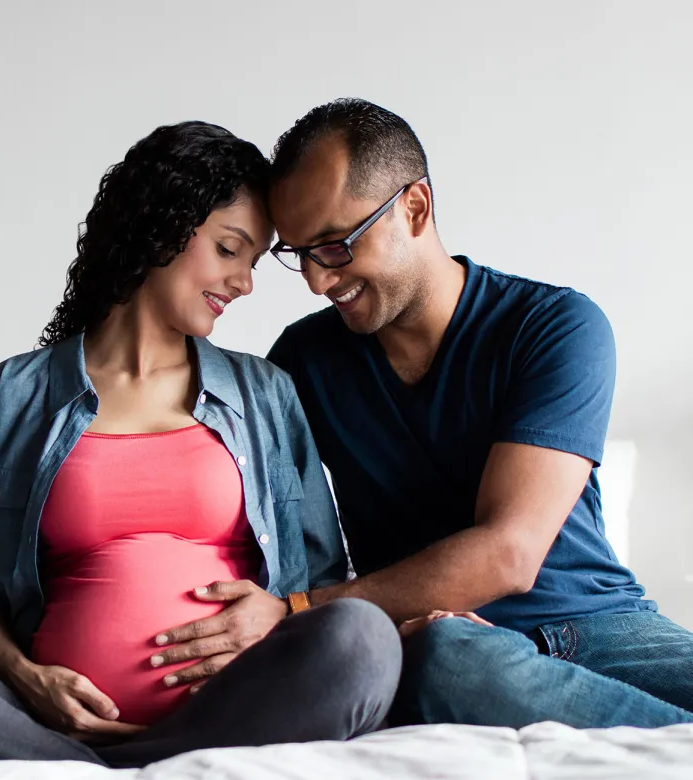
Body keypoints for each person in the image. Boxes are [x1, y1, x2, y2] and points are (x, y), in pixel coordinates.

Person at [167, 98, 693, 730]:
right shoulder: (304, 362)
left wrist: (298, 609)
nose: (316, 281)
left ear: (414, 208)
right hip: (442, 644)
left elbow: (510, 552)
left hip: (603, 627)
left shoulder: (554, 327)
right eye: (298, 253)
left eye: (334, 247)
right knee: (448, 658)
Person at [0, 121, 401, 769]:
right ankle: (90, 767)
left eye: (252, 260)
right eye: (229, 249)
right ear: (160, 228)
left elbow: (320, 580)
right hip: (38, 724)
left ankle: (156, 764)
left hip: (229, 714)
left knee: (362, 639)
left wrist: (275, 613)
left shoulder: (265, 393)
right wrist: (28, 676)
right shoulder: (13, 394)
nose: (245, 282)